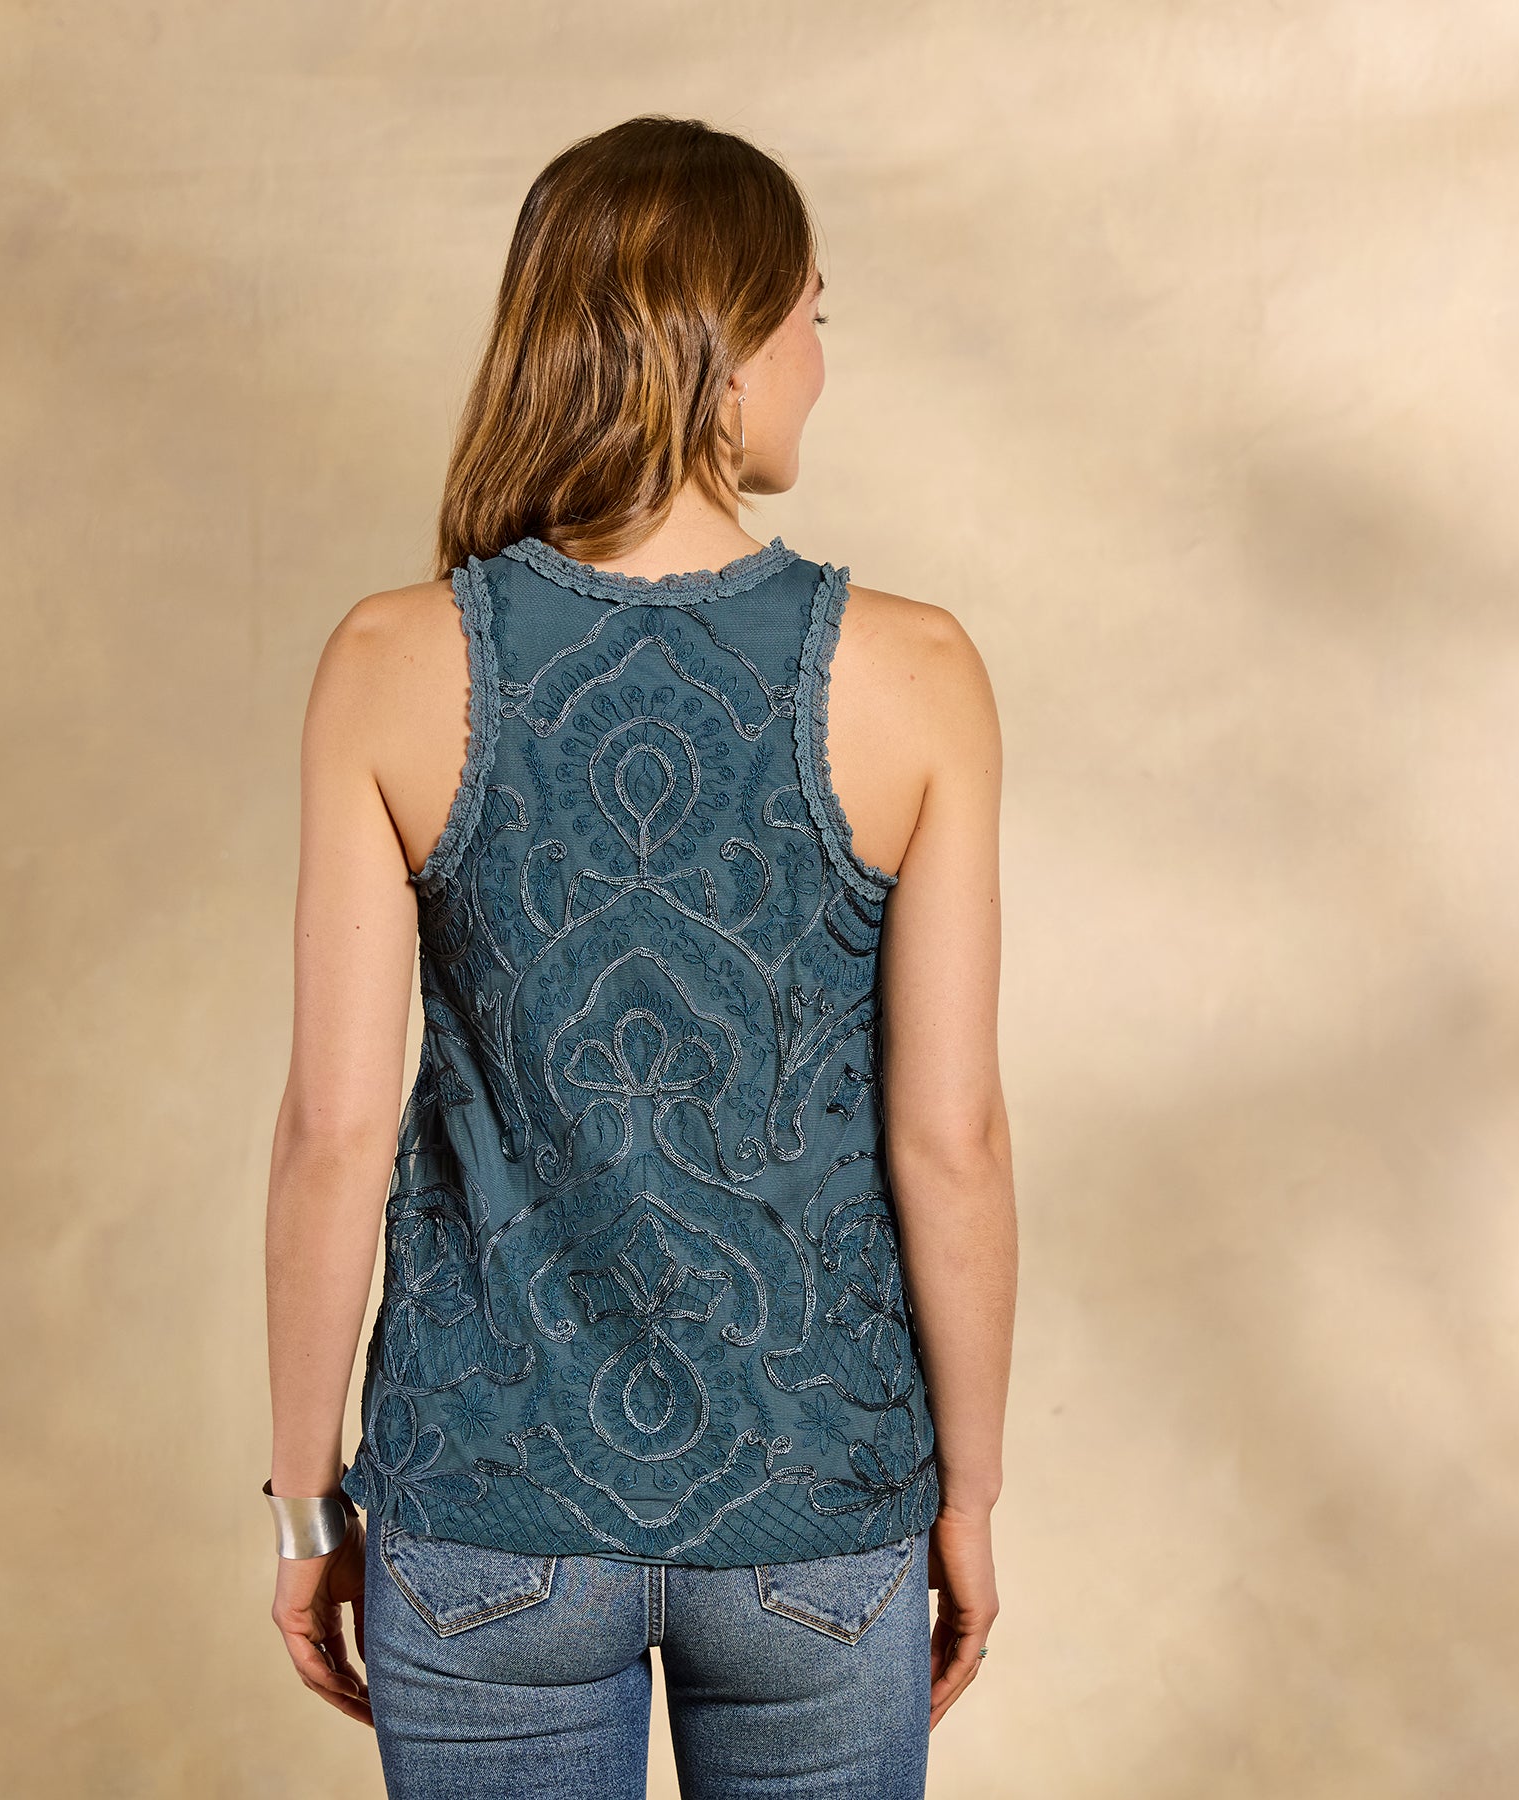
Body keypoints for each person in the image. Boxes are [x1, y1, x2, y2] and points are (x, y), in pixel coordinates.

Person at [262, 114, 1016, 1799]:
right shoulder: (918, 674)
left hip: (488, 1506)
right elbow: (951, 1139)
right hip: (816, 1506)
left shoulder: (391, 661)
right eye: (812, 316)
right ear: (723, 346)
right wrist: (964, 1496)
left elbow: (333, 1130)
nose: (822, 360)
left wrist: (309, 1501)